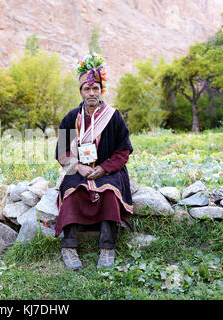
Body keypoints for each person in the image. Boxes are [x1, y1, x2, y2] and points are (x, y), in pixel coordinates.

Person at [54, 53, 133, 270]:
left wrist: (103, 168)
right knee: (72, 188)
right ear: (81, 92)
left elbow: (123, 150)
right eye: (87, 89)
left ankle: (107, 247)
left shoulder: (114, 117)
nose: (91, 92)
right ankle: (69, 246)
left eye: (95, 88)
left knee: (109, 190)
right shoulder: (71, 118)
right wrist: (78, 166)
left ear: (101, 90)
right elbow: (62, 152)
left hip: (108, 168)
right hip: (78, 167)